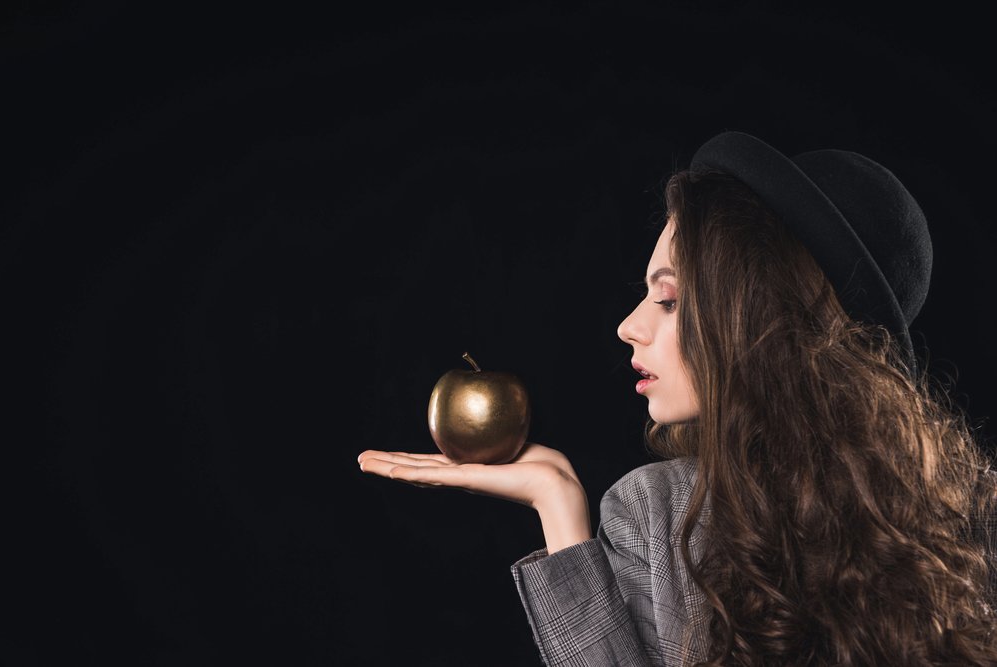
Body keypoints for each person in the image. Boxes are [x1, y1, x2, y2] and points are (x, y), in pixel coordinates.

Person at [357, 131, 997, 665]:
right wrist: (560, 509)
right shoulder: (656, 513)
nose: (627, 325)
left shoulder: (958, 546)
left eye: (668, 299)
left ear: (757, 321)